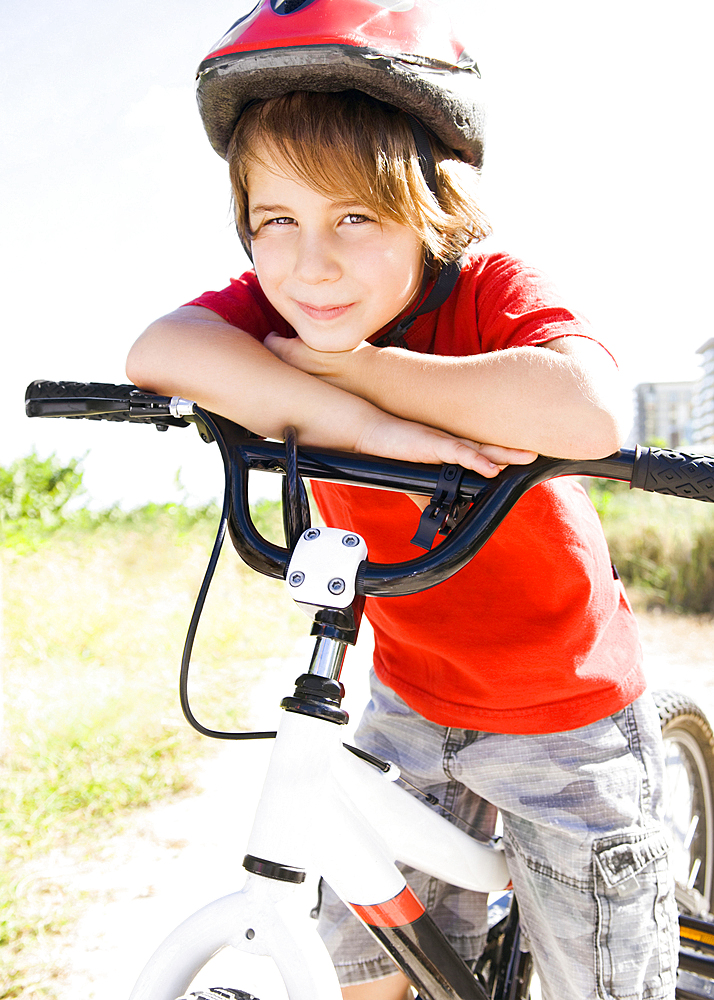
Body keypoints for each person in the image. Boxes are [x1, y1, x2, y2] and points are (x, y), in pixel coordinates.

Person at [126, 2, 677, 998]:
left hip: (565, 716)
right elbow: (157, 353)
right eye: (275, 220)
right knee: (364, 971)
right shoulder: (284, 299)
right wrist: (372, 427)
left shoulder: (487, 289)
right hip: (411, 697)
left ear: (428, 204)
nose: (310, 264)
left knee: (603, 982)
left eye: (356, 218)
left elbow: (588, 412)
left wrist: (357, 374)